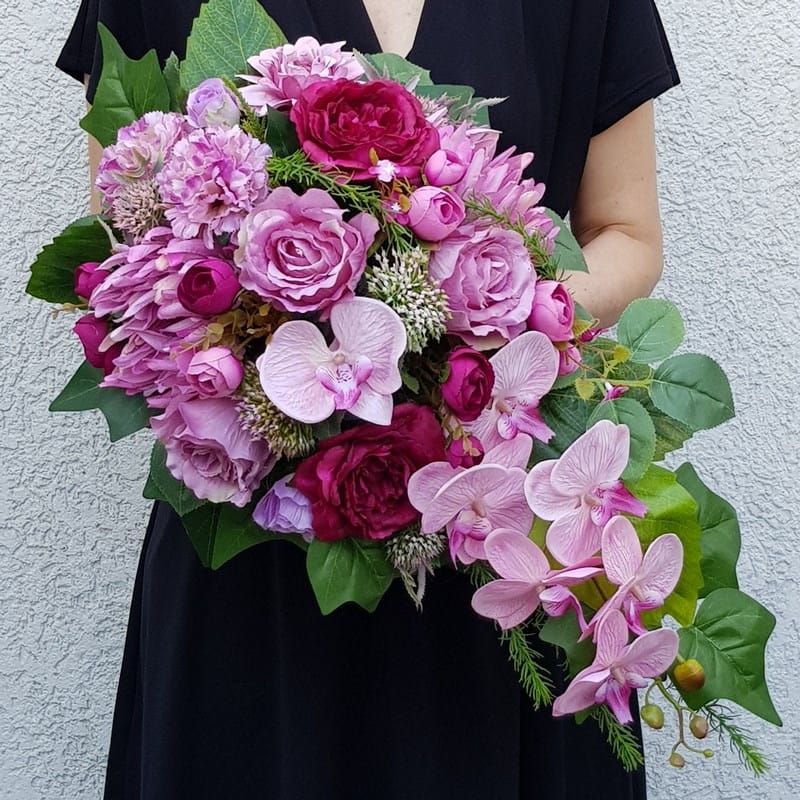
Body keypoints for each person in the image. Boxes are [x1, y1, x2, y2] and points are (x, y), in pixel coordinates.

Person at [57, 2, 679, 797]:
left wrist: (485, 317)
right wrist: (267, 331)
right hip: (257, 563)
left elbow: (627, 233)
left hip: (499, 543)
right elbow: (124, 240)